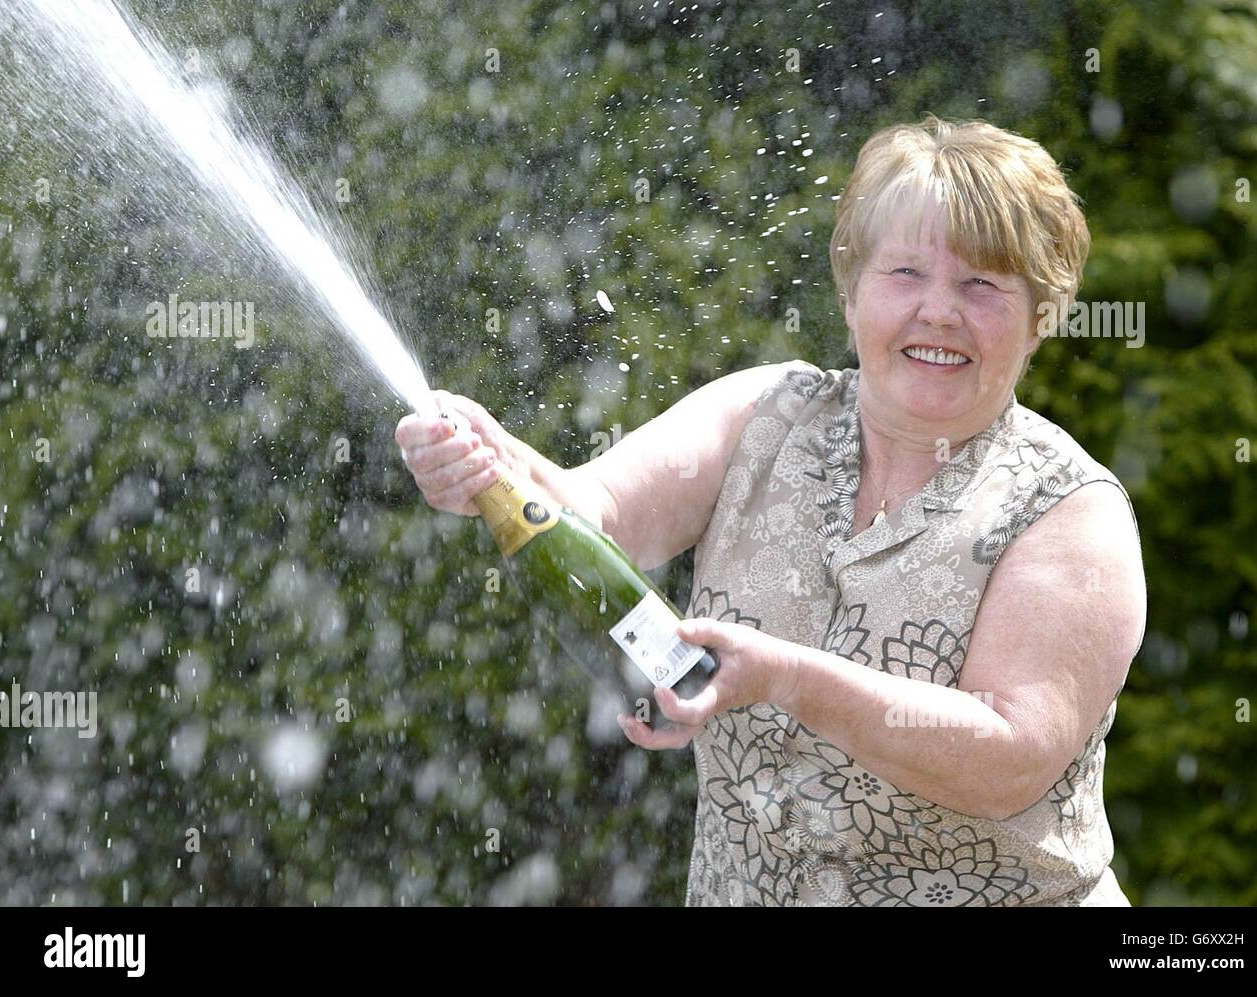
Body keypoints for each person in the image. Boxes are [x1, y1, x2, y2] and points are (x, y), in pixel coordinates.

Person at [395, 114, 1147, 906]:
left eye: (982, 284)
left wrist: (787, 679)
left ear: (1042, 316)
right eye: (904, 273)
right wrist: (487, 461)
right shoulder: (766, 412)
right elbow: (596, 511)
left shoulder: (1068, 511)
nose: (939, 311)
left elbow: (1008, 761)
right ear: (851, 293)